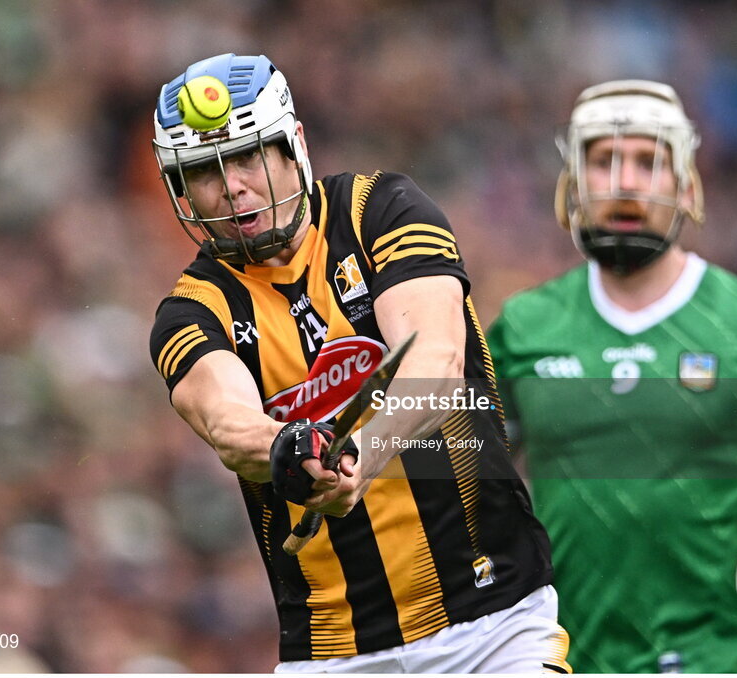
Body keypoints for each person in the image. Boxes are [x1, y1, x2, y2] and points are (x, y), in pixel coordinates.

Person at [148, 53, 569, 673]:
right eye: (204, 172)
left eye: (247, 156)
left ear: (292, 148)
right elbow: (228, 422)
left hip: (495, 625)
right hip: (333, 652)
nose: (231, 185)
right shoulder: (189, 310)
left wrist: (361, 457)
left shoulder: (382, 210)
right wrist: (289, 446)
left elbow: (435, 363)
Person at [487, 80, 737, 673]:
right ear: (573, 185)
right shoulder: (522, 328)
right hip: (556, 662)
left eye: (649, 161)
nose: (626, 181)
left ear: (686, 186)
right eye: (604, 160)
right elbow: (458, 483)